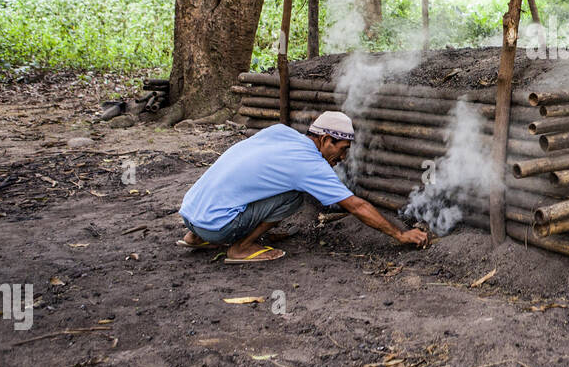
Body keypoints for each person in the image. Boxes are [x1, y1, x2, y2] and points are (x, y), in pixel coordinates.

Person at [178, 111, 428, 263]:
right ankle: (241, 248)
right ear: (326, 140)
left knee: (265, 186)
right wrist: (399, 234)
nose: (342, 159)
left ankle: (196, 237)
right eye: (342, 150)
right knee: (294, 198)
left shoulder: (279, 132)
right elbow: (355, 205)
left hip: (190, 213)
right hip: (218, 226)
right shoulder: (309, 164)